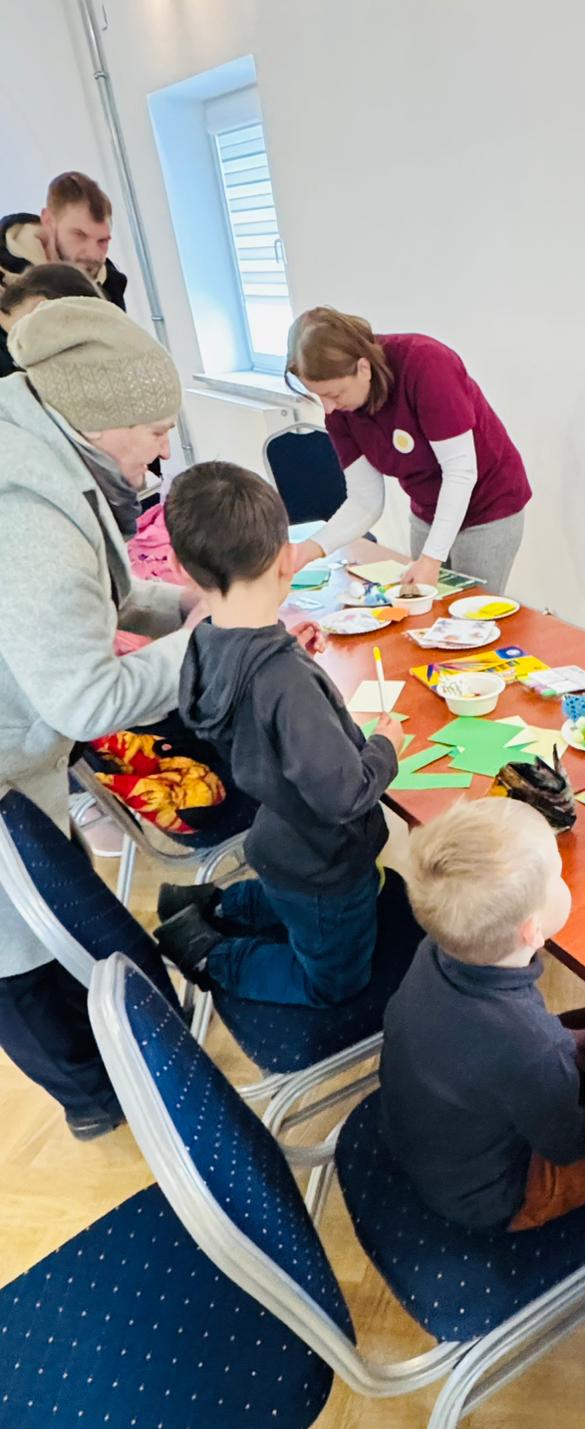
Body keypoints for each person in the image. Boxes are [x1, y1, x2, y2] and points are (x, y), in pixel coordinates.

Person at [0, 297, 189, 1139]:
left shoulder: (44, 442)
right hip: (15, 749)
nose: (162, 451)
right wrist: (210, 643)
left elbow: (95, 595)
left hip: (22, 749)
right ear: (102, 419)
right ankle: (94, 1100)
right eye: (155, 430)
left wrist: (179, 608)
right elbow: (85, 699)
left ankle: (107, 1062)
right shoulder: (27, 516)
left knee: (57, 905)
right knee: (17, 944)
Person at [154, 461, 409, 1007]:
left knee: (293, 901)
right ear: (287, 559)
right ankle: (210, 953)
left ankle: (213, 904)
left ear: (180, 569)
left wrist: (284, 647)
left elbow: (250, 697)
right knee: (333, 981)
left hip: (281, 838)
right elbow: (345, 795)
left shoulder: (207, 640)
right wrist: (386, 746)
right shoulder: (284, 682)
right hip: (323, 863)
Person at [379, 797, 585, 1230]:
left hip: (429, 1140)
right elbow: (569, 1145)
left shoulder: (435, 951)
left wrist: (564, 1048)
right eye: (558, 874)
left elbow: (492, 1046)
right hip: (489, 1196)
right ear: (532, 930)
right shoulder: (529, 1045)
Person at [285, 306, 532, 594]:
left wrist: (431, 558)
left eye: (334, 394)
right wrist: (308, 549)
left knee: (469, 611)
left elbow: (460, 472)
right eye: (319, 396)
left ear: (363, 368)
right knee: (423, 605)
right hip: (428, 509)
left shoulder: (426, 364)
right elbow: (365, 501)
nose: (329, 408)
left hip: (487, 504)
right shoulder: (341, 412)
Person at [0, 172, 126, 378]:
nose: (93, 254)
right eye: (79, 235)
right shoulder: (5, 281)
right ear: (49, 222)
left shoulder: (110, 285)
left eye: (102, 241)